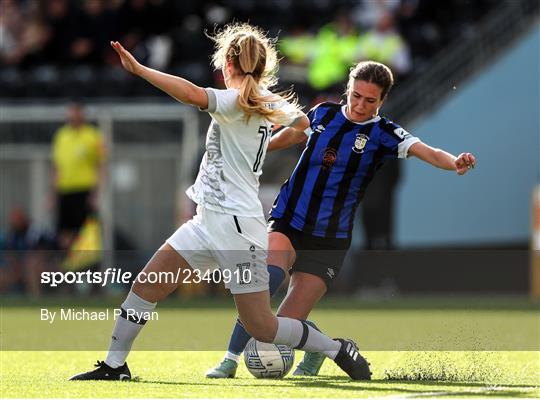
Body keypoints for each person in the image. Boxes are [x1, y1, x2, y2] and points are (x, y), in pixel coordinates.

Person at [69, 23, 372, 382]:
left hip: (237, 229)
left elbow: (193, 94)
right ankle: (114, 365)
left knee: (262, 327)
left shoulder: (234, 100)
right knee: (146, 286)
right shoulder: (265, 100)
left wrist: (140, 70)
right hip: (206, 222)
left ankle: (336, 349)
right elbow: (303, 123)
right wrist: (265, 146)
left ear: (228, 63)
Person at [206, 60, 476, 378]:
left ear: (382, 101)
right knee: (262, 287)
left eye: (370, 100)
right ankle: (229, 360)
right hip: (289, 221)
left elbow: (428, 152)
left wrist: (454, 162)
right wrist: (254, 153)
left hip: (329, 240)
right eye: (355, 95)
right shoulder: (323, 114)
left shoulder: (385, 133)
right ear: (347, 90)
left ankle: (320, 349)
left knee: (282, 324)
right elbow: (289, 136)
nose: (360, 105)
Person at [51, 101, 105, 250]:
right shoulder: (61, 135)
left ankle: (86, 268)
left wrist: (96, 193)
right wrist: (53, 193)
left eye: (75, 112)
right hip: (65, 190)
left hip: (84, 190)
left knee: (86, 233)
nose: (72, 116)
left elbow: (100, 165)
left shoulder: (93, 135)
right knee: (64, 233)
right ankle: (68, 267)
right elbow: (57, 166)